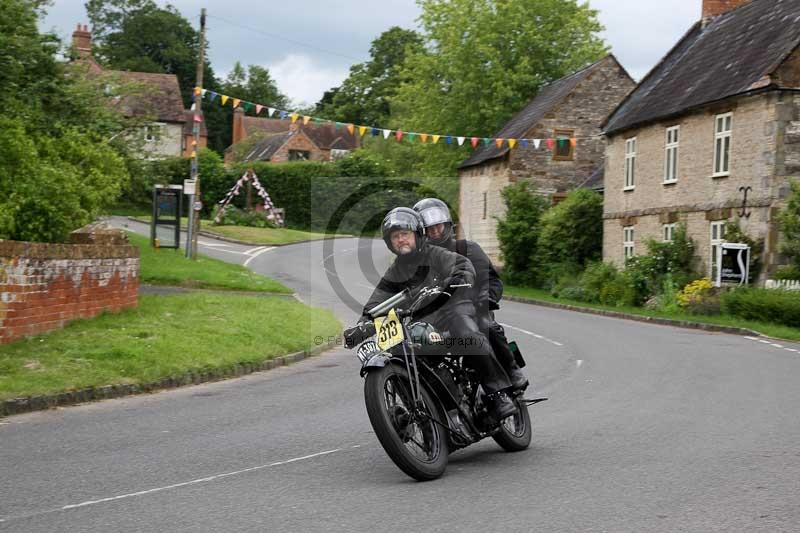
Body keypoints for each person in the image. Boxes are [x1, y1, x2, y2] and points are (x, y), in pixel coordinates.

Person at [348, 207, 517, 420]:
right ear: (390, 243)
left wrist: (457, 278)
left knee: (467, 334)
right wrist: (363, 324)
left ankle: (498, 393)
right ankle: (433, 416)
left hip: (453, 310)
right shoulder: (395, 271)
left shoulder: (435, 253)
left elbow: (461, 265)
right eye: (395, 237)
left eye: (405, 234)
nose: (401, 240)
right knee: (401, 353)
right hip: (425, 322)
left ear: (417, 235)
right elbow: (376, 303)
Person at [413, 198, 528, 390]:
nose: (434, 231)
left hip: (473, 312)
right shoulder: (420, 262)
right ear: (421, 232)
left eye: (438, 226)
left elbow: (491, 280)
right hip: (439, 322)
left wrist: (487, 298)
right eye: (429, 228)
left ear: (447, 225)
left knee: (486, 325)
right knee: (416, 349)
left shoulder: (467, 249)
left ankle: (511, 370)